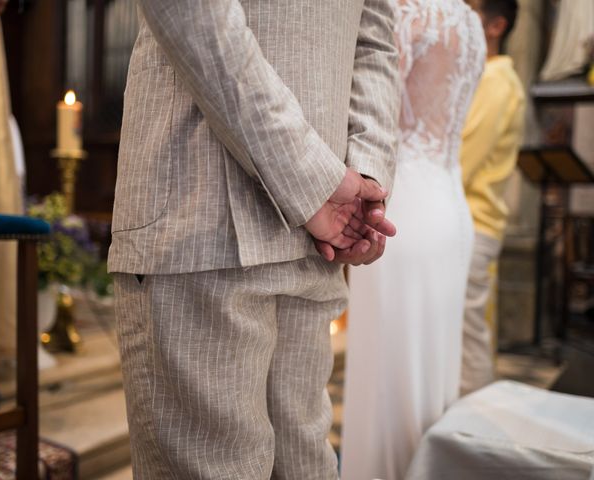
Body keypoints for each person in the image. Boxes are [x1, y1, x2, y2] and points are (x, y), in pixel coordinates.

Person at [107, 0, 400, 478]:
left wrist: (367, 176)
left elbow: (375, 37)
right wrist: (314, 180)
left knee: (308, 467)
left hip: (317, 235)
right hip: (203, 213)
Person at [340, 1, 486, 479]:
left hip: (406, 209)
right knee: (431, 374)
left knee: (389, 375)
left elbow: (371, 107)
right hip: (450, 206)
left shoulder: (404, 10)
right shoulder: (468, 22)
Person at [460, 0, 525, 395]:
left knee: (469, 336)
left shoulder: (497, 81)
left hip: (474, 221)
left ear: (496, 25)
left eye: (472, 9)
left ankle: (473, 432)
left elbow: (462, 160)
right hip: (469, 220)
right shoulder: (482, 77)